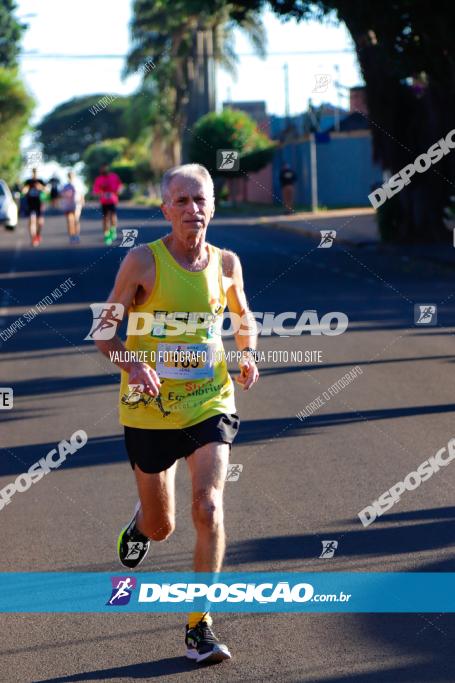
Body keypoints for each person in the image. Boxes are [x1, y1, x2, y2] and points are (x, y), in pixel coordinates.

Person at [95, 163, 259, 665]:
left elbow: (242, 316)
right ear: (165, 209)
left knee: (208, 507)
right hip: (149, 409)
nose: (193, 210)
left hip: (209, 398)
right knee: (162, 525)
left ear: (214, 205)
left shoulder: (226, 263)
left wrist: (247, 351)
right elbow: (105, 333)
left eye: (201, 200)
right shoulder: (142, 262)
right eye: (182, 201)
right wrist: (132, 361)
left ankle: (198, 626)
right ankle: (140, 527)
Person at [92, 165, 122, 245]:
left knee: (113, 215)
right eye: (102, 169)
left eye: (105, 168)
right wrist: (100, 193)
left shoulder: (114, 176)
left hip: (112, 200)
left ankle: (113, 229)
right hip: (104, 201)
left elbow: (120, 185)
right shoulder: (99, 179)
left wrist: (118, 191)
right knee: (105, 218)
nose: (104, 170)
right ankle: (107, 235)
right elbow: (95, 191)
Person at [22, 169, 47, 247]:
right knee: (32, 221)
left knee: (40, 223)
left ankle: (38, 235)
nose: (34, 174)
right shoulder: (28, 181)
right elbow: (23, 191)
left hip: (39, 204)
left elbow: (47, 191)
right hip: (30, 204)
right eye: (33, 172)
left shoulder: (40, 181)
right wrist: (26, 189)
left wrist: (41, 187)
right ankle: (33, 238)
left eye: (36, 173)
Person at [60, 172, 85, 244]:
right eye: (69, 176)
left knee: (76, 220)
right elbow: (62, 195)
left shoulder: (77, 185)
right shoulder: (65, 186)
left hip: (76, 204)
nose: (70, 177)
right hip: (68, 205)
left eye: (71, 176)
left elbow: (81, 193)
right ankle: (71, 235)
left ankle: (77, 235)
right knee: (69, 221)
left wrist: (82, 200)